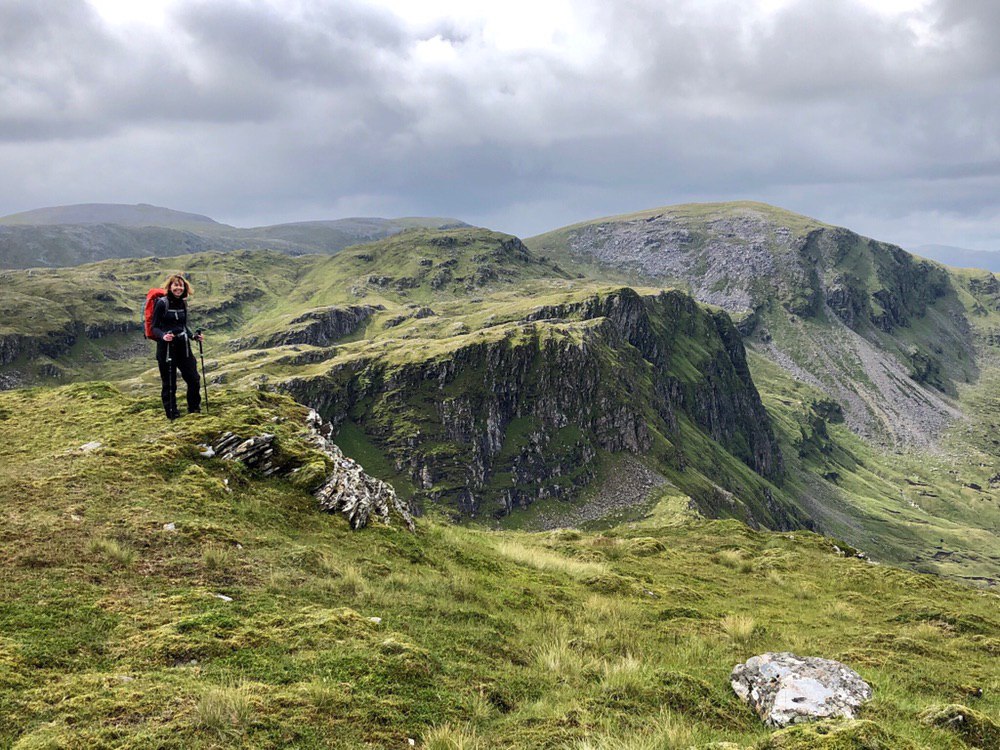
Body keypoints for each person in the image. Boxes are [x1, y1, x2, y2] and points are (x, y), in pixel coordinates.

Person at [151, 274, 204, 420]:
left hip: (183, 347)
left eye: (181, 285)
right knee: (169, 383)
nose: (178, 288)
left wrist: (193, 337)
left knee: (194, 379)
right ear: (170, 287)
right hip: (166, 348)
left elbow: (183, 326)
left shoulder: (183, 303)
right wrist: (163, 336)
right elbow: (154, 327)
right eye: (176, 285)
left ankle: (194, 409)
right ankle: (172, 414)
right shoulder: (162, 303)